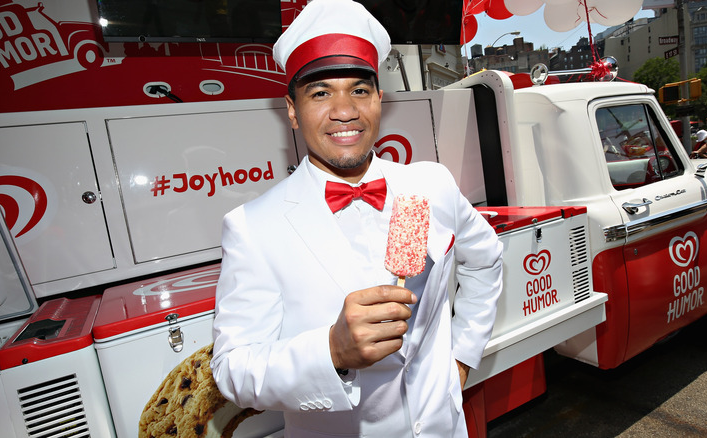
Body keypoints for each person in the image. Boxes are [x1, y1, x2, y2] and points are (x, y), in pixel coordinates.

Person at [210, 1, 504, 437]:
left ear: (379, 99)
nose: (344, 110)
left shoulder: (428, 185)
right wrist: (331, 351)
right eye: (321, 92)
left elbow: (487, 259)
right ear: (291, 109)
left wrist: (460, 357)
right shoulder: (253, 227)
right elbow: (233, 370)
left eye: (359, 90)